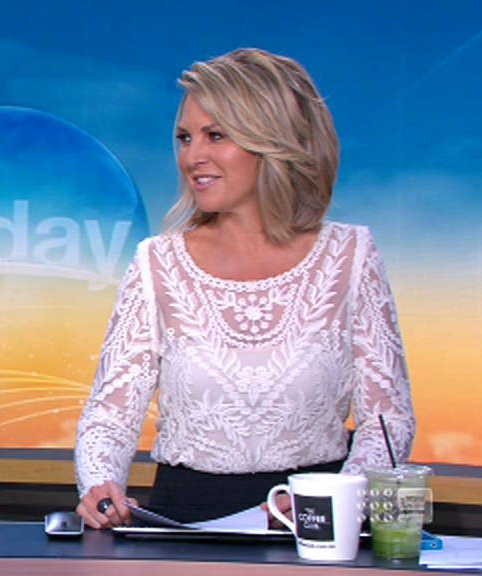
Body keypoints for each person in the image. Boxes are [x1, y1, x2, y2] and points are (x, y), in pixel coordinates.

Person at [73, 48, 415, 528]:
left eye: (215, 135)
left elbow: (388, 423)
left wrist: (330, 503)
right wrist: (99, 485)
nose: (192, 157)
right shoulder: (157, 263)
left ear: (271, 139)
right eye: (184, 138)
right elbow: (109, 420)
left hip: (312, 526)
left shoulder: (351, 256)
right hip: (184, 525)